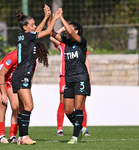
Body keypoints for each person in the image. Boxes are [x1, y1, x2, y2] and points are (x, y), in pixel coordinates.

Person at [11, 5, 61, 145]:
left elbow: (38, 31)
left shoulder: (25, 36)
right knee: (29, 106)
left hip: (19, 76)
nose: (34, 27)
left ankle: (21, 138)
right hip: (22, 76)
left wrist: (45, 18)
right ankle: (25, 136)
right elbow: (48, 31)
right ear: (25, 27)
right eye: (32, 25)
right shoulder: (28, 36)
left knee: (22, 109)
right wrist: (55, 18)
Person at [51, 8, 91, 144]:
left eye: (69, 28)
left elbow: (72, 32)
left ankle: (75, 137)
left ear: (77, 31)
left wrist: (62, 18)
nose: (66, 29)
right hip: (69, 80)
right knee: (68, 110)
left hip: (81, 79)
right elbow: (50, 33)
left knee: (78, 108)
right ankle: (79, 127)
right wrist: (53, 19)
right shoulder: (65, 42)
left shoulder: (81, 41)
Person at [0, 50, 19, 144]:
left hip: (10, 79)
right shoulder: (14, 55)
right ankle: (2, 136)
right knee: (3, 105)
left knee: (16, 107)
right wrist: (3, 93)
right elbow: (1, 74)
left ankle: (13, 136)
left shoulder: (30, 58)